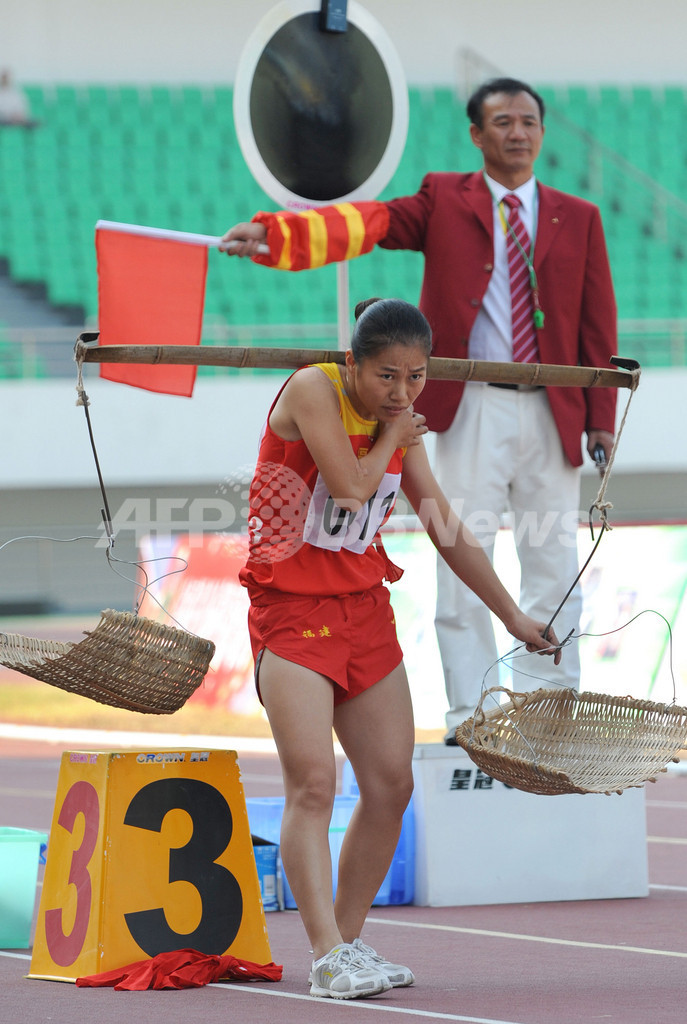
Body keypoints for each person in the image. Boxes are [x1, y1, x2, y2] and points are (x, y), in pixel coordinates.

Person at [221, 76, 618, 744]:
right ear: (476, 134)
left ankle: (552, 713)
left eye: (528, 121)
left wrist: (599, 414)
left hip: (555, 407)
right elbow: (370, 223)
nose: (517, 132)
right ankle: (471, 716)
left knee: (553, 553)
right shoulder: (445, 198)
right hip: (465, 405)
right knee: (459, 539)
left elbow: (597, 320)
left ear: (542, 132)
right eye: (502, 121)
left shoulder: (576, 215)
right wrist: (276, 235)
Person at [238, 295, 561, 999]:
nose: (402, 392)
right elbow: (352, 490)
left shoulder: (400, 423)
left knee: (391, 785)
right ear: (353, 363)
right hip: (291, 611)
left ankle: (347, 944)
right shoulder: (314, 390)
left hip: (363, 610)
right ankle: (325, 954)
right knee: (313, 784)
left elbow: (444, 526)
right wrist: (393, 436)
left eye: (415, 377)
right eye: (387, 376)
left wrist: (511, 615)